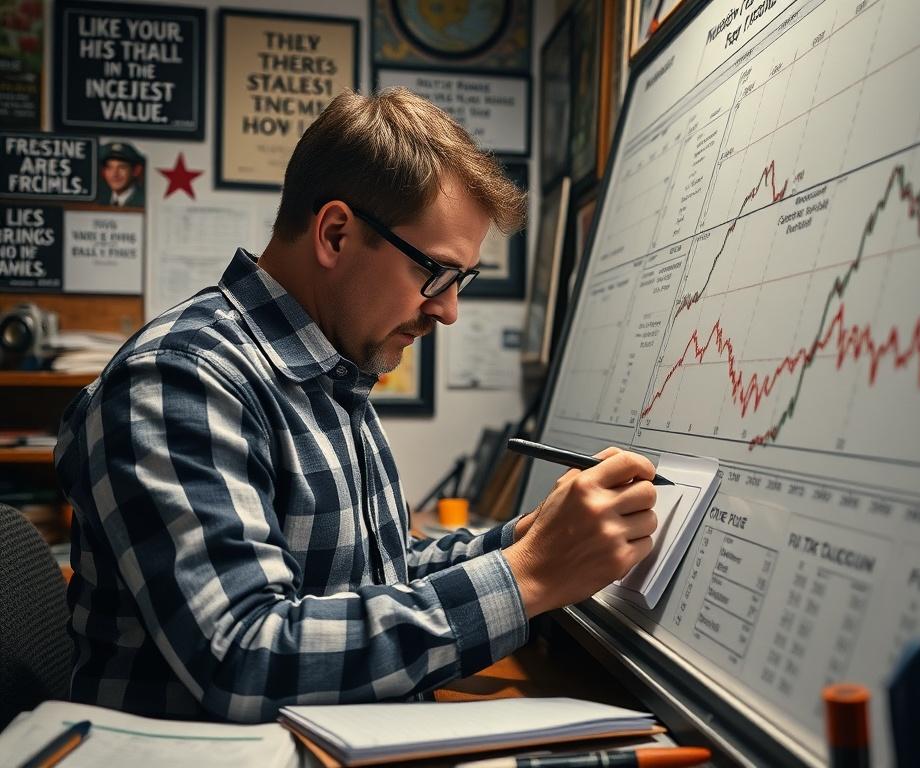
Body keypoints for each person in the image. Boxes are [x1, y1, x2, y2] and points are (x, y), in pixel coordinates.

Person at [54, 88, 658, 724]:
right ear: (336, 234)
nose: (448, 310)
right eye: (438, 273)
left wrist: (526, 541)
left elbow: (374, 577)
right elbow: (245, 658)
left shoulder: (330, 370)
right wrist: (526, 577)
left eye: (461, 283)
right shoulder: (180, 380)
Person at [97, 141, 145, 207]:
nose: (115, 174)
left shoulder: (145, 201)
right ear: (103, 172)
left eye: (122, 167)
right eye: (109, 167)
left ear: (136, 171)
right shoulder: (99, 201)